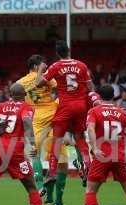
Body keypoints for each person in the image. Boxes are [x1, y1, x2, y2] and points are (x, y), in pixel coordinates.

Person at [18, 54, 71, 205]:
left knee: (34, 154)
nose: (46, 66)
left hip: (36, 118)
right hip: (52, 116)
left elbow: (16, 95)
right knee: (62, 162)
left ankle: (42, 189)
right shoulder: (45, 76)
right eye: (43, 64)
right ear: (36, 66)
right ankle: (58, 202)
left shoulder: (20, 82)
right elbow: (58, 86)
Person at [36, 40, 94, 186]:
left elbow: (38, 83)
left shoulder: (56, 66)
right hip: (81, 105)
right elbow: (90, 86)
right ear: (68, 50)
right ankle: (89, 168)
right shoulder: (81, 65)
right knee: (80, 137)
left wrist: (41, 70)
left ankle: (52, 173)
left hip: (65, 106)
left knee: (57, 139)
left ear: (57, 53)